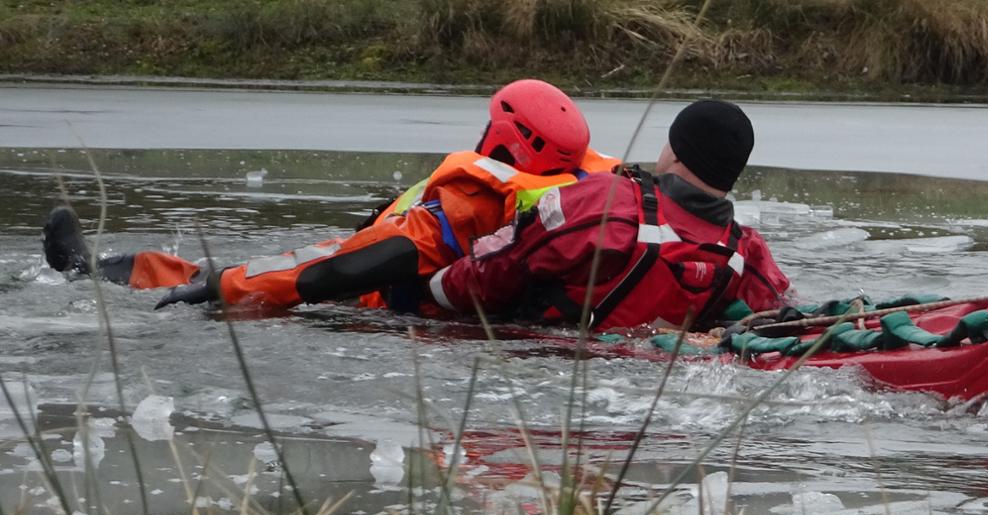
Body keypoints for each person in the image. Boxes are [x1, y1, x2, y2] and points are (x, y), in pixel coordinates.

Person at [41, 79, 623, 314]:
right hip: (494, 303)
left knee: (214, 272)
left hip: (369, 295)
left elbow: (349, 268)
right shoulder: (596, 194)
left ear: (504, 139)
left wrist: (232, 284)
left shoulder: (470, 204)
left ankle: (91, 267)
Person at [423, 99, 789, 331]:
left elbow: (501, 268)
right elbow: (781, 312)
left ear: (676, 152)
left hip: (554, 363)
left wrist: (430, 290)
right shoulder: (747, 253)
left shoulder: (606, 201)